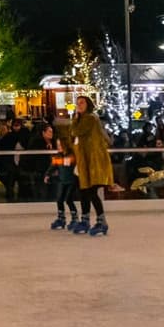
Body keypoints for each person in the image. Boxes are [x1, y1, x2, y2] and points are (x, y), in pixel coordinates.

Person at [69, 95, 112, 236]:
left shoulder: (90, 118)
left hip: (93, 161)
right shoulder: (83, 119)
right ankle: (85, 219)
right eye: (78, 103)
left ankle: (102, 221)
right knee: (84, 191)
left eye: (82, 103)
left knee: (91, 191)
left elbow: (76, 131)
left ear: (88, 104)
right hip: (83, 160)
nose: (79, 105)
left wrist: (75, 119)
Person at [46, 135, 79, 230]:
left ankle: (75, 218)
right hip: (62, 181)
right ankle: (61, 218)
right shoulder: (57, 156)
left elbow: (77, 166)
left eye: (60, 145)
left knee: (69, 199)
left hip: (72, 181)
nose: (59, 147)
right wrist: (48, 174)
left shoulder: (72, 155)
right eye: (58, 145)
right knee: (59, 199)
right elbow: (53, 166)